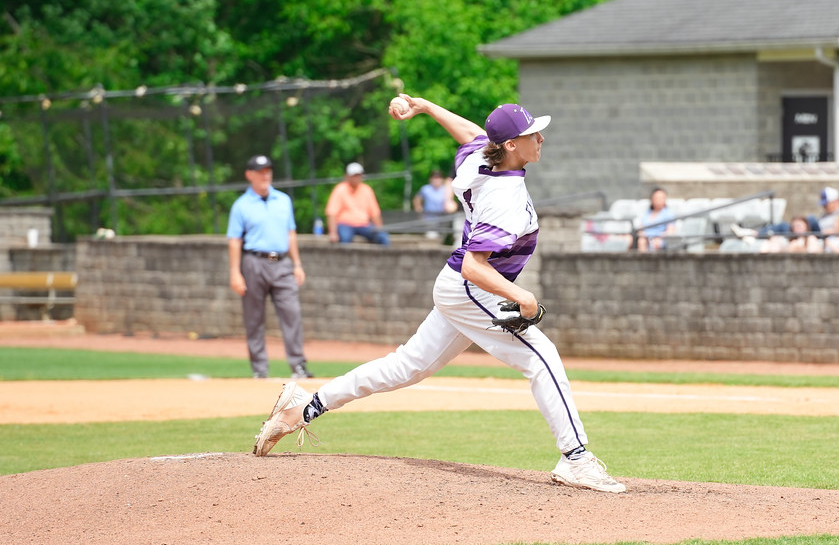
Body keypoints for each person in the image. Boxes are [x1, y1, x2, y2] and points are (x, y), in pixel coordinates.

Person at [253, 95, 626, 493]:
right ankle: (576, 459)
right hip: (469, 286)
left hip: (456, 287)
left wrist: (428, 107)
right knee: (542, 357)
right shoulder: (504, 196)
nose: (542, 138)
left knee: (406, 367)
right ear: (512, 146)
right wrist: (524, 297)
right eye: (533, 133)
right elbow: (474, 265)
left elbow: (472, 134)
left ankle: (305, 405)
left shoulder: (481, 158)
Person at [226, 154, 314, 380]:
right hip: (254, 261)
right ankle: (259, 369)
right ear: (249, 175)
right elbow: (234, 240)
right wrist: (235, 272)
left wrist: (297, 264)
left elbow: (290, 232)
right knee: (254, 318)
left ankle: (298, 365)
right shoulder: (241, 205)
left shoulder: (283, 200)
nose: (265, 175)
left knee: (292, 313)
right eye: (260, 171)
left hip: (282, 262)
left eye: (268, 171)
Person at [325, 162, 391, 245]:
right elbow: (332, 213)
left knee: (383, 237)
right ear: (347, 176)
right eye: (354, 175)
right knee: (345, 238)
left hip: (364, 225)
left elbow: (375, 214)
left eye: (358, 175)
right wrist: (332, 233)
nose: (356, 178)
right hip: (345, 224)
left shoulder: (367, 190)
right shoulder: (340, 189)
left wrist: (379, 229)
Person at [628, 187, 676, 252]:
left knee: (656, 243)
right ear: (652, 199)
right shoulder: (648, 213)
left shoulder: (668, 213)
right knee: (638, 240)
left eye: (662, 198)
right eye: (657, 198)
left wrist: (657, 236)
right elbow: (641, 227)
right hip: (645, 238)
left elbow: (670, 231)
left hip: (659, 238)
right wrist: (643, 234)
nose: (659, 200)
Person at [413, 169, 457, 239]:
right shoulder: (425, 189)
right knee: (432, 237)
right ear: (430, 179)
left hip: (443, 219)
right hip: (429, 218)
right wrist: (418, 208)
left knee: (444, 237)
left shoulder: (446, 190)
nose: (436, 180)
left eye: (438, 178)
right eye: (434, 178)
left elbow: (451, 203)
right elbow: (417, 199)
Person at [758, 215, 822, 253]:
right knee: (771, 240)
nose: (797, 229)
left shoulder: (811, 238)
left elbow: (812, 252)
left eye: (799, 226)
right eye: (795, 226)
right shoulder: (790, 240)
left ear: (806, 226)